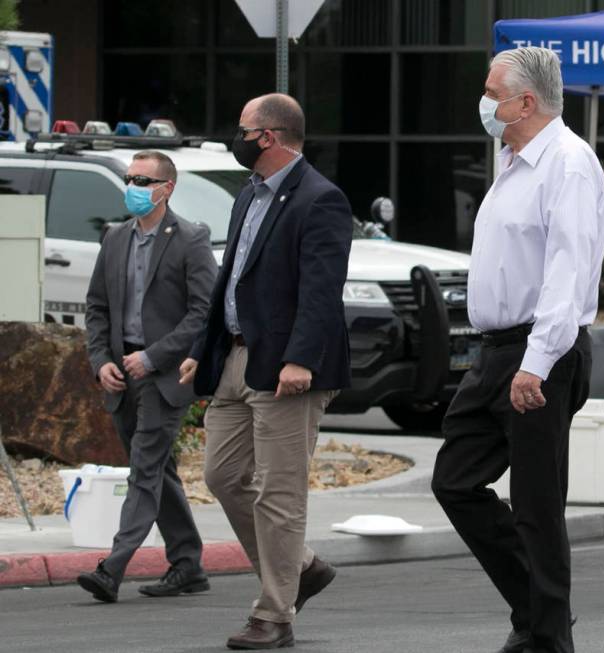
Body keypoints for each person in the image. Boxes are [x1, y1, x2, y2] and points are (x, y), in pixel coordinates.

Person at [431, 47, 604, 653]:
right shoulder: (515, 161)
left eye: (491, 92)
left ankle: (548, 635)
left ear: (525, 101)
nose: (484, 102)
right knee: (455, 481)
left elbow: (568, 270)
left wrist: (536, 362)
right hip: (497, 351)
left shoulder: (568, 164)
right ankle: (537, 607)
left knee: (535, 504)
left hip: (542, 351)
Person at [179, 93, 352, 650]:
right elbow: (232, 280)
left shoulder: (320, 199)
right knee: (223, 476)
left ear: (270, 136)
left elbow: (322, 291)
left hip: (285, 367)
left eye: (243, 129)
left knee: (279, 494)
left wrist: (300, 358)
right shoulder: (249, 195)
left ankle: (274, 615)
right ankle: (300, 568)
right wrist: (201, 348)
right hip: (233, 357)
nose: (238, 137)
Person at [81, 150, 217, 602]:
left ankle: (111, 568)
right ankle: (188, 564)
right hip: (121, 375)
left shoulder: (191, 239)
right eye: (131, 178)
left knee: (144, 469)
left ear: (166, 189)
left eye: (144, 180)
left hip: (164, 376)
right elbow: (97, 308)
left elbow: (203, 314)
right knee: (160, 471)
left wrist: (154, 357)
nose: (134, 186)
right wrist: (101, 360)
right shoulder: (114, 238)